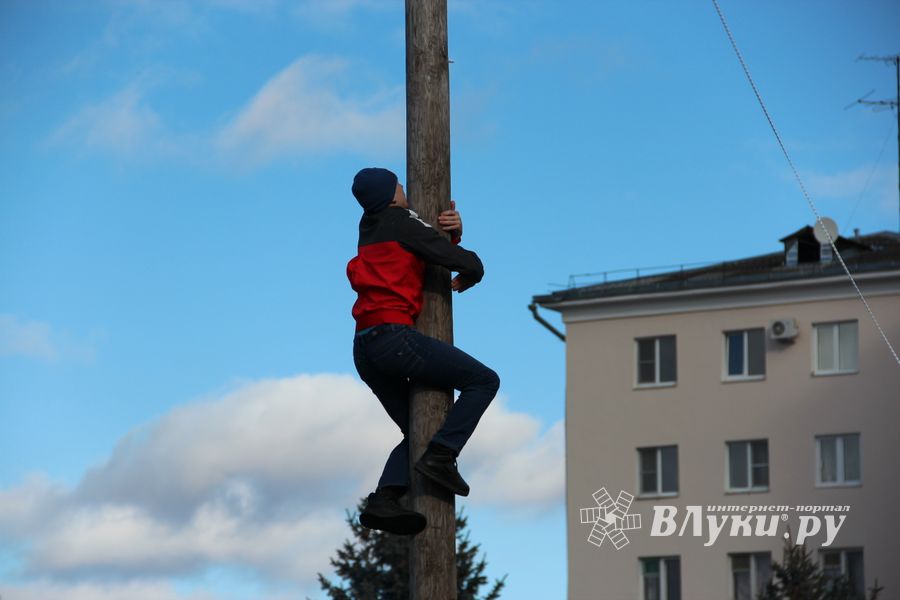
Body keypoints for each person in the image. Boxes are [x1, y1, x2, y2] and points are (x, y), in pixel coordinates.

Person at [347, 167, 500, 536]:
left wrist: (451, 231)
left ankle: (385, 498)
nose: (404, 186)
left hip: (365, 347)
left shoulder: (370, 225)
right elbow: (455, 258)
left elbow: (427, 240)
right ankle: (442, 455)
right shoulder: (400, 222)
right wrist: (472, 264)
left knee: (415, 430)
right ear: (390, 195)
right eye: (398, 183)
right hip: (393, 338)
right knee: (483, 381)